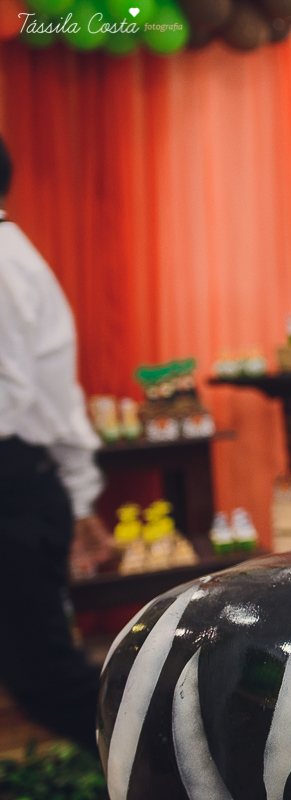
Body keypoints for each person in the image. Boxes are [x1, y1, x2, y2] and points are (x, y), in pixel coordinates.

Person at [0, 132, 115, 755]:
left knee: (43, 674)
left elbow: (36, 399)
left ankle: (155, 763)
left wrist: (77, 499)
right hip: (24, 479)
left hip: (12, 481)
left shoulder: (4, 262)